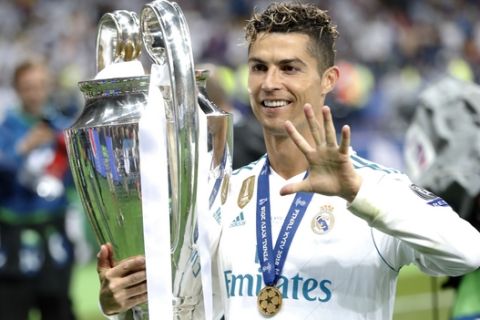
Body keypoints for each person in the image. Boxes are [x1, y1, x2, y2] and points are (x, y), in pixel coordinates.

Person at [96, 3, 480, 319]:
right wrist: (125, 304)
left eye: (290, 68)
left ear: (329, 79)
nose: (269, 83)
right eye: (259, 67)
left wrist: (356, 193)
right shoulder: (220, 194)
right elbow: (191, 308)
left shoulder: (375, 188)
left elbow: (467, 253)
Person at [0, 59, 76, 319]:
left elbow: (77, 179)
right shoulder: (6, 129)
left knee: (59, 309)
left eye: (41, 86)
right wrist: (25, 146)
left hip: (54, 233)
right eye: (28, 87)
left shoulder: (62, 128)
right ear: (17, 89)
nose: (36, 93)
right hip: (13, 237)